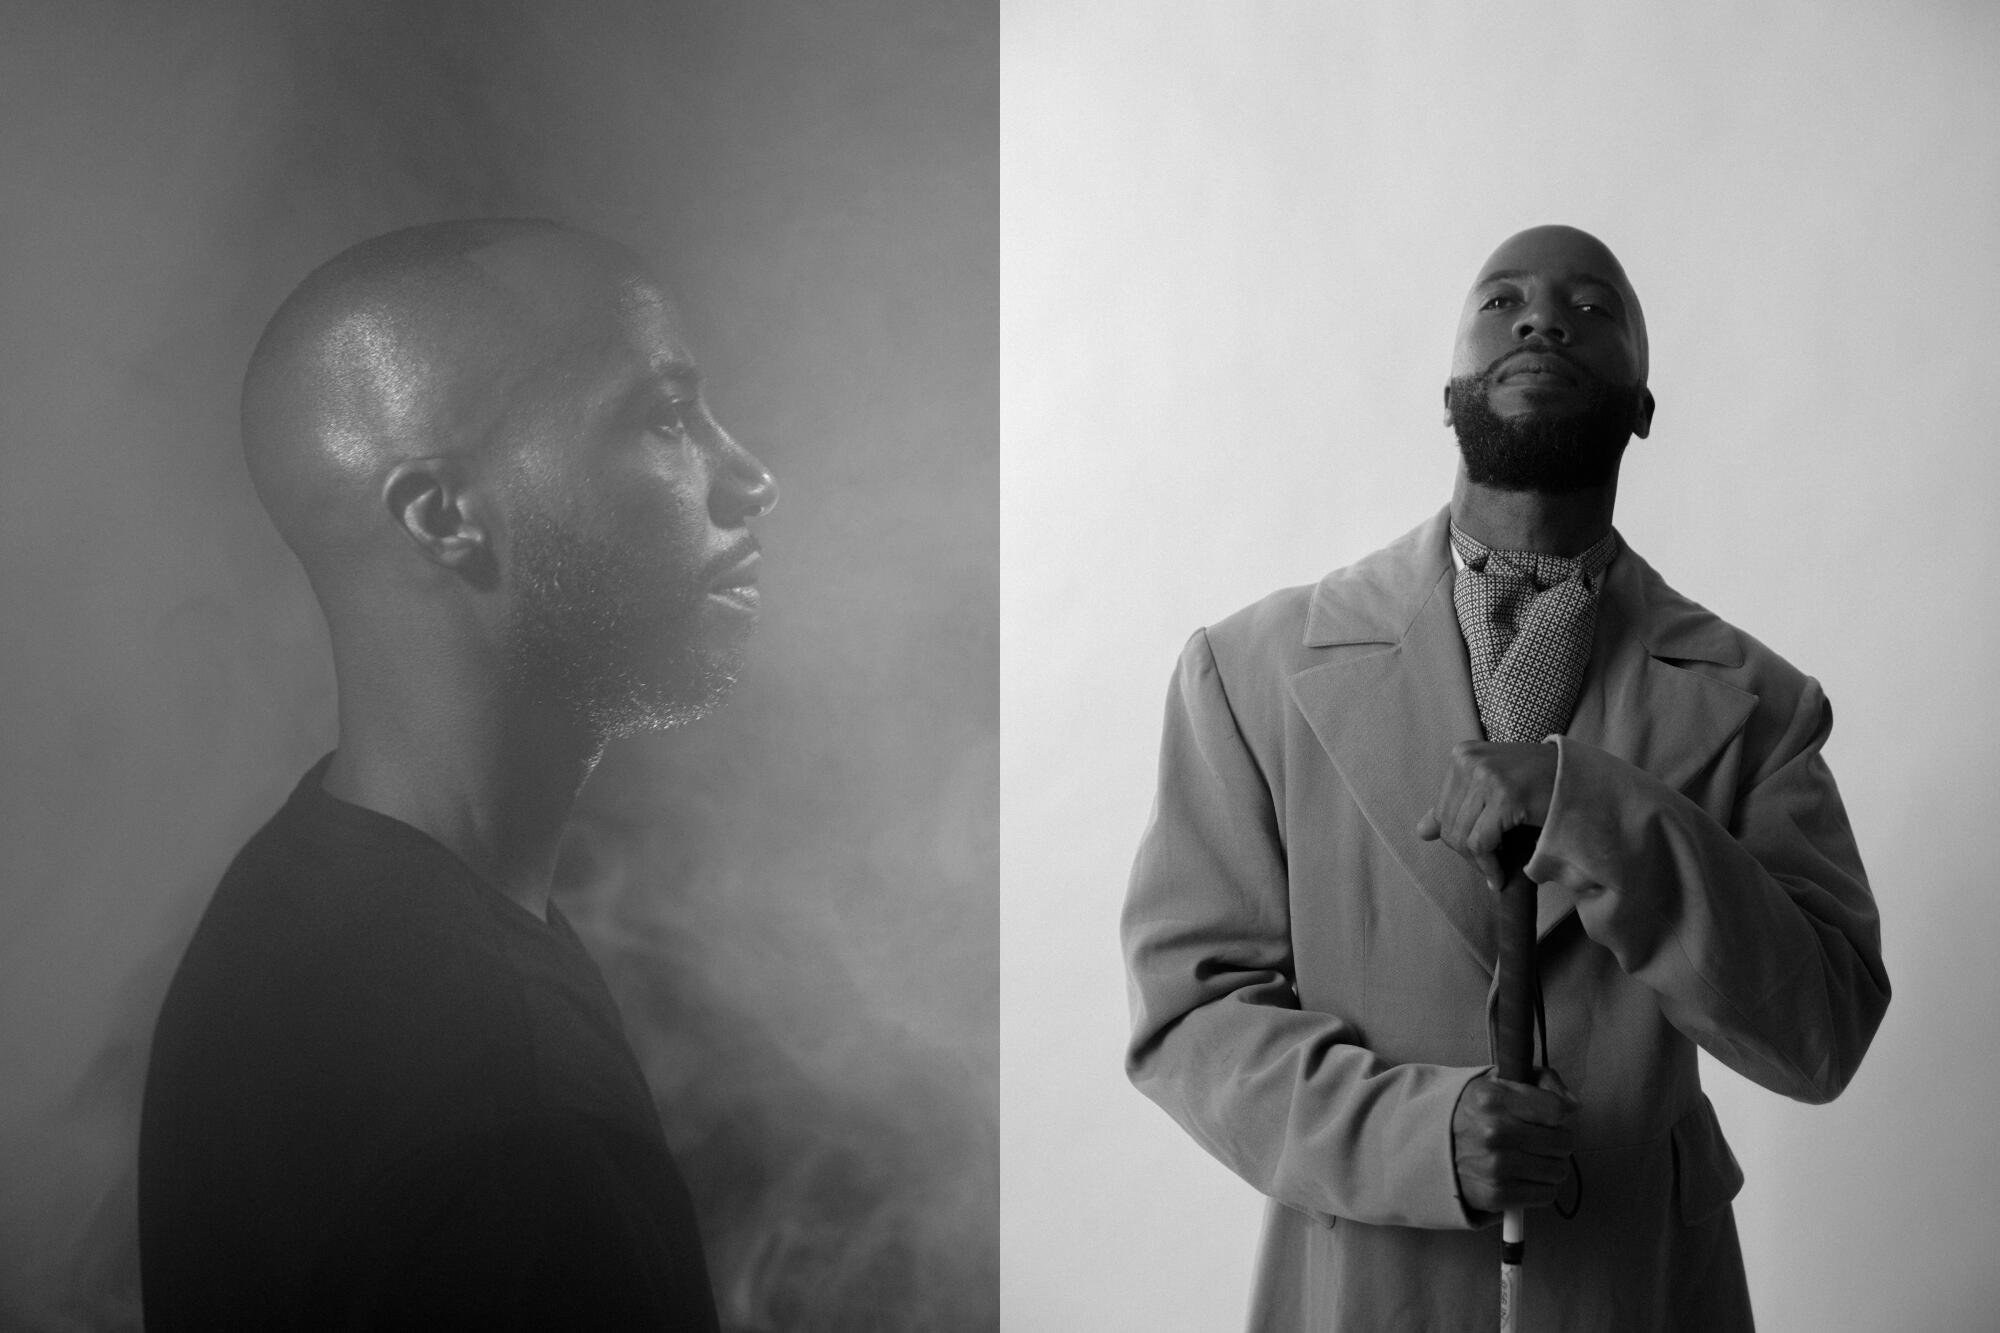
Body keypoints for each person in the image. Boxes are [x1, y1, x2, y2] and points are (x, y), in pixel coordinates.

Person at [1121, 224, 1888, 1331]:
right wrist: (1420, 1138)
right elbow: (1186, 1020)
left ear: (1642, 405)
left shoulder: (1759, 705)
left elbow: (1819, 1032)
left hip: (1640, 1291)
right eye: (1502, 301)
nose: (1541, 319)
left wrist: (1597, 811)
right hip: (1362, 1289)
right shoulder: (1244, 672)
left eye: (1591, 304)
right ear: (1447, 393)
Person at [138, 219, 777, 1331]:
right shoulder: (510, 1121)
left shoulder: (291, 891)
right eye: (666, 418)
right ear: (444, 515)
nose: (749, 477)